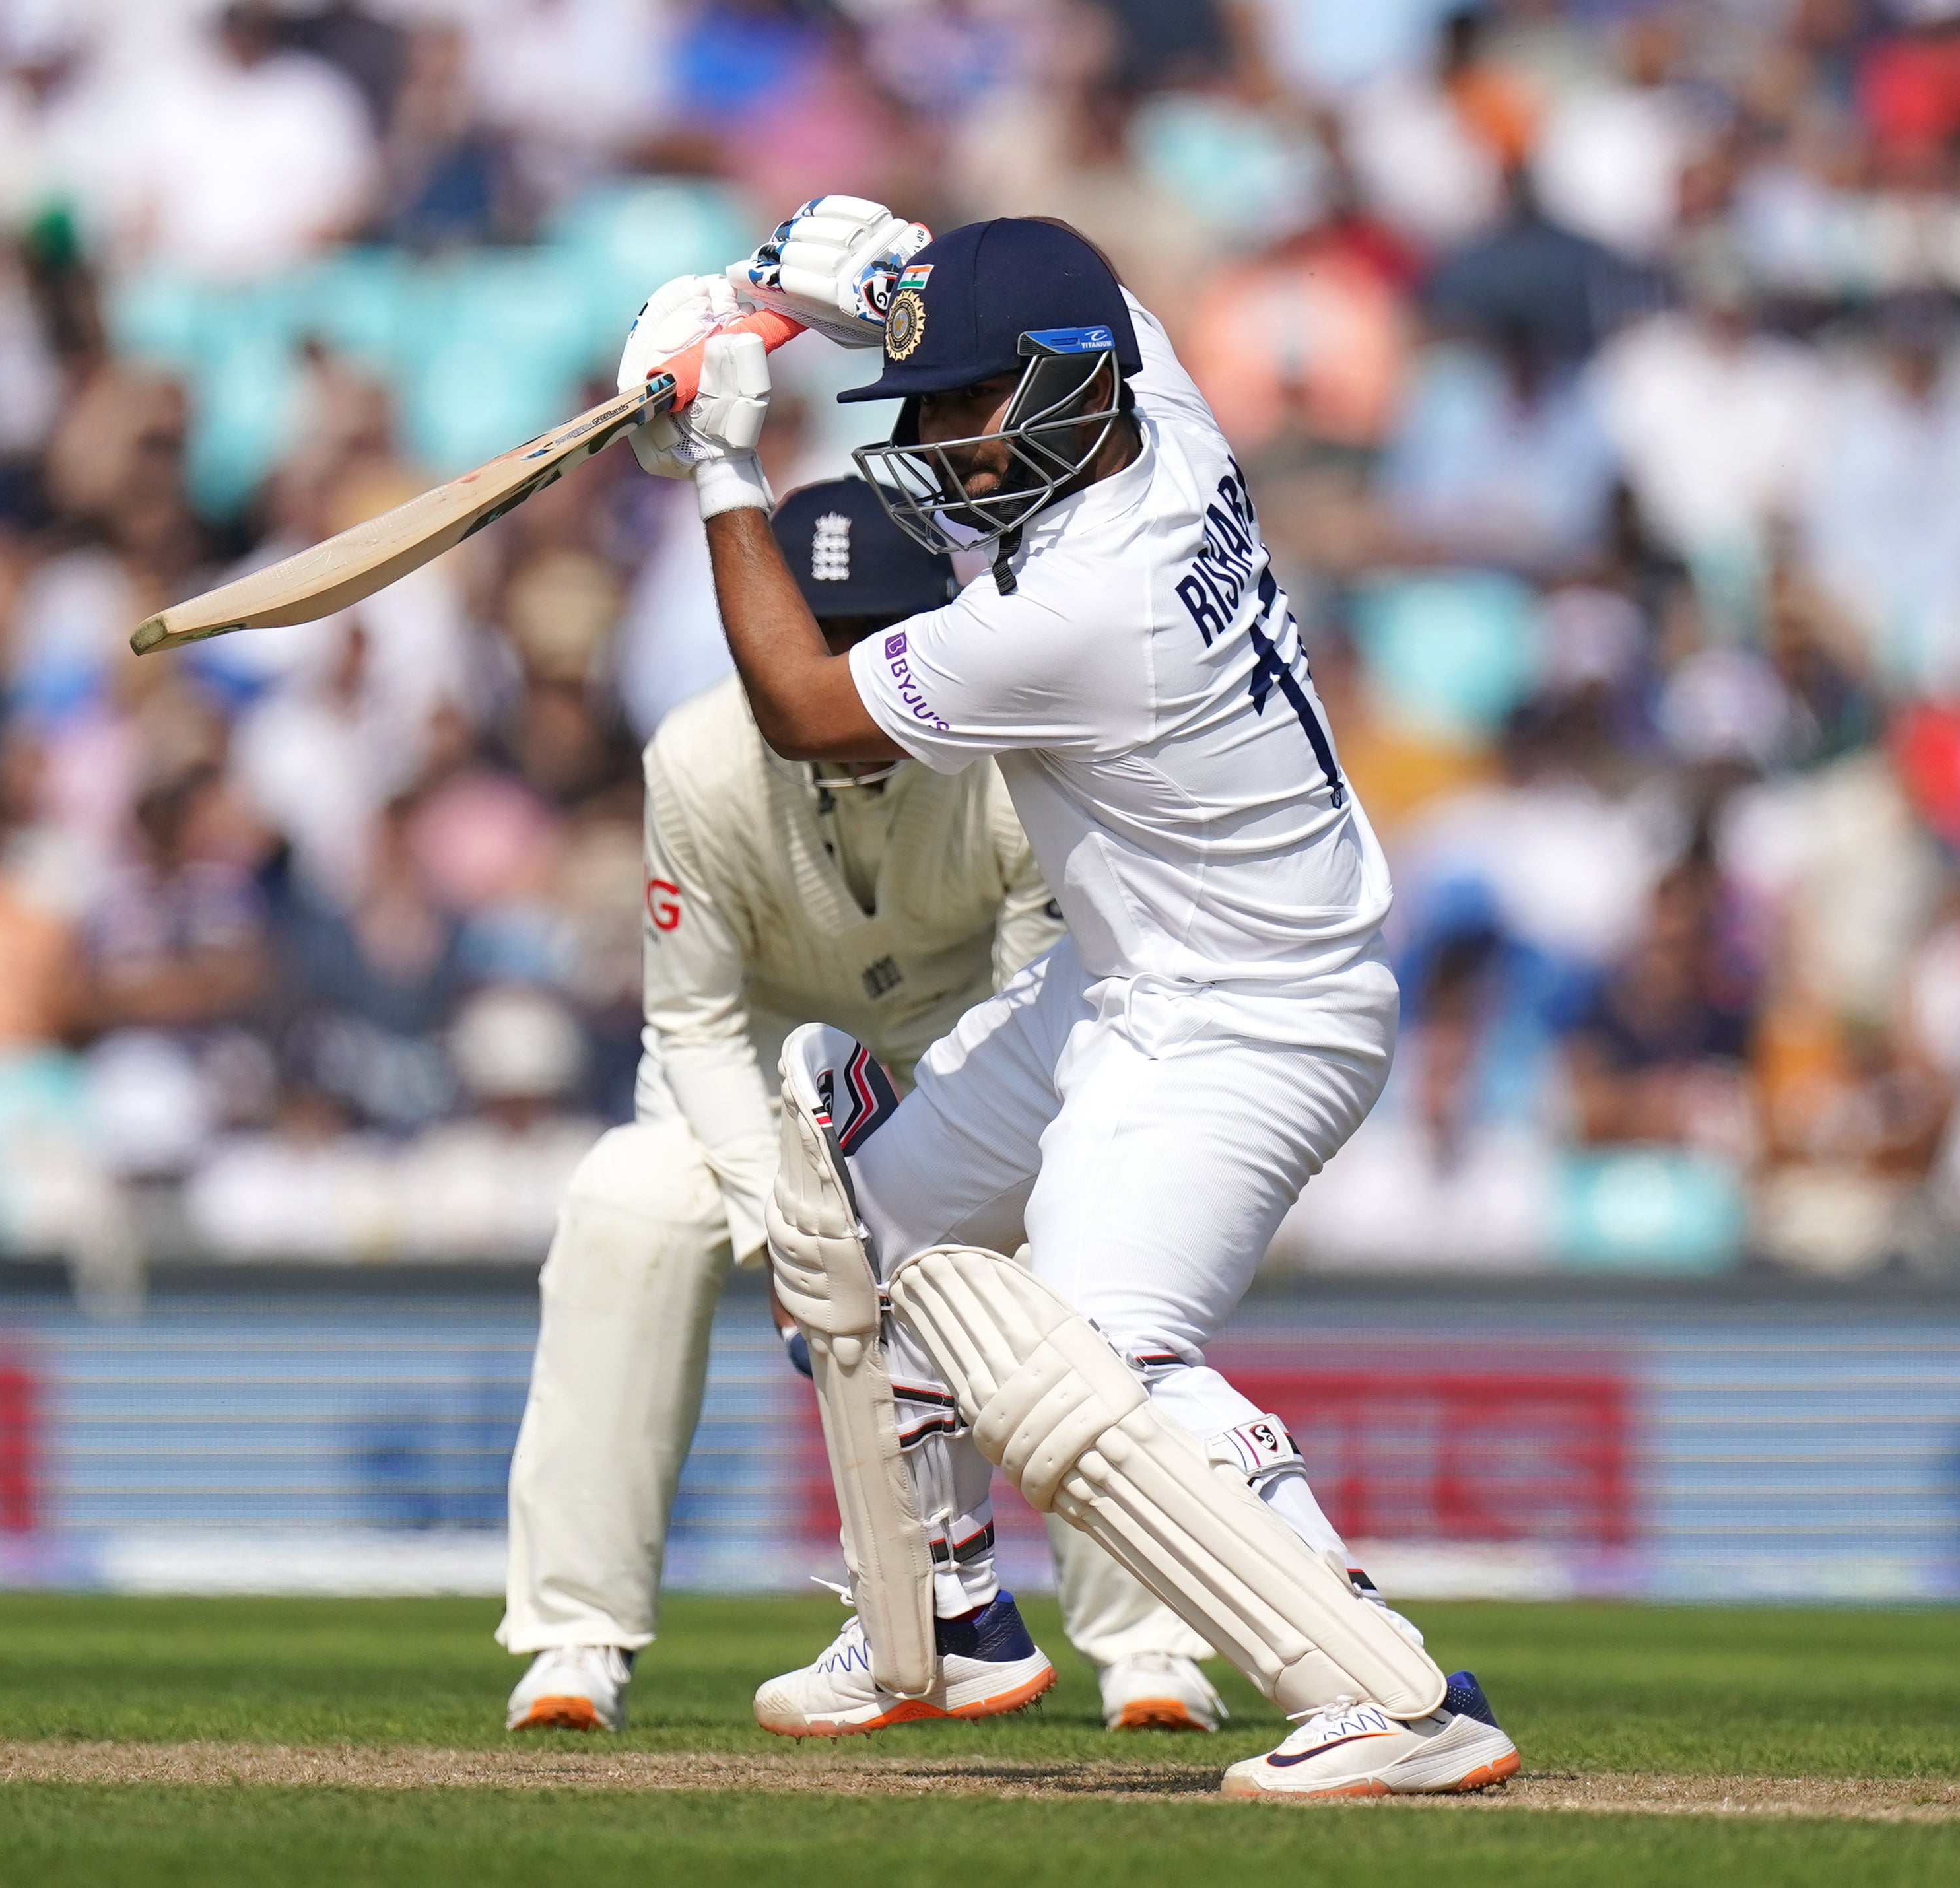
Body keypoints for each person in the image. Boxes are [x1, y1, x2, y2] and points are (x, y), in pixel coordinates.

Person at [620, 202, 1521, 1795]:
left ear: (1069, 382)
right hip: (1132, 978)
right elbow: (1069, 272)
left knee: (1096, 1352)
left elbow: (806, 712)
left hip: (1247, 1017)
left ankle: (1391, 1689)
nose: (951, 449)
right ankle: (944, 1614)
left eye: (974, 409)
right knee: (859, 1226)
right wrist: (851, 288)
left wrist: (719, 466)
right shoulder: (1153, 408)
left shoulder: (1082, 606)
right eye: (937, 411)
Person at [502, 477, 1217, 1738]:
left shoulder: (1007, 756)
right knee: (626, 1202)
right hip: (764, 1094)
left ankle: (1149, 1647)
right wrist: (795, 1225)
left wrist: (916, 1190)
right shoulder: (698, 759)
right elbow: (696, 1026)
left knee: (1083, 1242)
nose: (838, 673)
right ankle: (574, 1639)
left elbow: (1039, 1001)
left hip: (975, 1070)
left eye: (868, 635)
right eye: (813, 637)